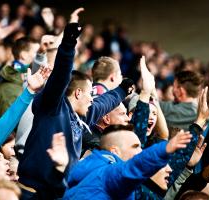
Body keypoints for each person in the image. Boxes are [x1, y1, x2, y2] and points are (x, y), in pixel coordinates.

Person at [18, 15, 133, 198]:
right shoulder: (53, 106)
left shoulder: (81, 117)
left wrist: (122, 90)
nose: (92, 99)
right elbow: (61, 76)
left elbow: (104, 103)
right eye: (89, 93)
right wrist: (69, 44)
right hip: (30, 192)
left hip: (56, 193)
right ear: (78, 93)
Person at [63, 126, 192, 199]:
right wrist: (163, 150)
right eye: (135, 147)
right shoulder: (109, 173)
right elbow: (132, 168)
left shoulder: (91, 166)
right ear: (115, 151)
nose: (140, 152)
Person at [0, 37, 39, 127]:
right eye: (36, 53)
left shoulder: (13, 75)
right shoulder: (14, 81)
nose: (40, 58)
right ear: (24, 55)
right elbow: (8, 124)